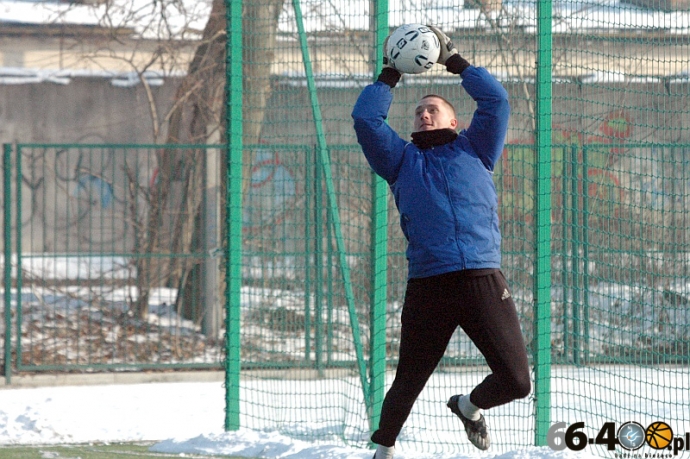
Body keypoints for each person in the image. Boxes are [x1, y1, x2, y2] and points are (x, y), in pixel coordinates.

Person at [351, 26, 532, 459]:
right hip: (429, 283)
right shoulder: (400, 161)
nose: (424, 115)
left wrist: (456, 62)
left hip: (482, 278)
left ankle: (468, 406)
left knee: (517, 382)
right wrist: (388, 76)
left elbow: (496, 101)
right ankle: (383, 450)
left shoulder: (477, 148)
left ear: (456, 121)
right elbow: (365, 120)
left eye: (433, 109)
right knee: (409, 377)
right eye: (418, 112)